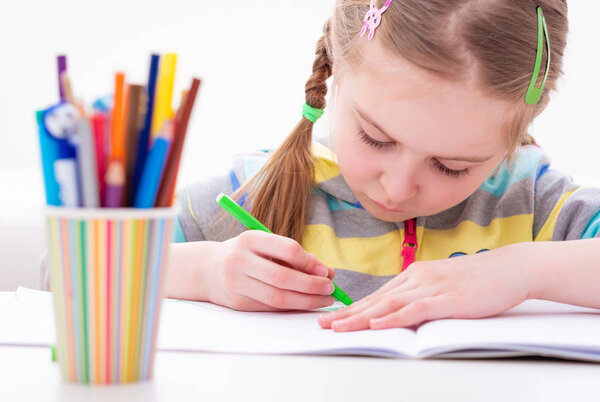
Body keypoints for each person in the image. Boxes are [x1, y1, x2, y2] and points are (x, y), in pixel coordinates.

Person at [169, 0, 600, 331]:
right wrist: (205, 271)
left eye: (451, 166)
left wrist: (520, 271)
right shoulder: (256, 191)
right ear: (337, 64)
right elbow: (104, 262)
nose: (397, 188)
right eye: (376, 138)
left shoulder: (532, 199)